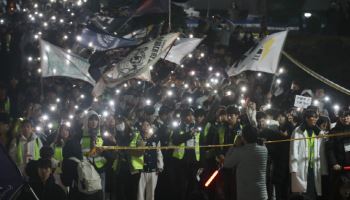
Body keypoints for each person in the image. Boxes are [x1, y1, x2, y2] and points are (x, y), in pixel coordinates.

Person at [290, 109, 328, 199]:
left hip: (314, 165)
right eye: (312, 117)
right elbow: (293, 150)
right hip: (302, 165)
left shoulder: (318, 131)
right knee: (304, 191)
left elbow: (322, 151)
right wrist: (293, 167)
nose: (315, 119)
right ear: (306, 118)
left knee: (314, 190)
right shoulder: (298, 131)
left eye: (316, 117)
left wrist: (323, 168)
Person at [223, 124, 268, 200]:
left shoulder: (239, 152)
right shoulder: (264, 150)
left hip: (245, 194)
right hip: (261, 193)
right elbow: (261, 144)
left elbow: (226, 164)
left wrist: (234, 146)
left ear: (243, 137)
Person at [172, 108, 202, 200]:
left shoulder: (198, 127)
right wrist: (189, 134)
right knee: (182, 186)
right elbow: (176, 140)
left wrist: (202, 163)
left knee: (194, 185)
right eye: (189, 115)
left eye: (192, 115)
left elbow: (202, 145)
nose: (191, 117)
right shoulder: (177, 128)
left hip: (194, 159)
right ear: (183, 117)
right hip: (181, 161)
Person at [326, 108, 350, 200]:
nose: (345, 118)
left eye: (347, 116)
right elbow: (330, 149)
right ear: (339, 118)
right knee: (338, 192)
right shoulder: (334, 131)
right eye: (343, 116)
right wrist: (334, 163)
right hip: (340, 167)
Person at [138, 119, 163, 200]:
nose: (145, 127)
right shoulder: (138, 138)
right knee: (140, 192)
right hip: (141, 169)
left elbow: (159, 152)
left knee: (151, 192)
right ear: (141, 127)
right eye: (143, 125)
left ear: (150, 127)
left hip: (153, 169)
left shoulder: (156, 138)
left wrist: (160, 166)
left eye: (147, 125)